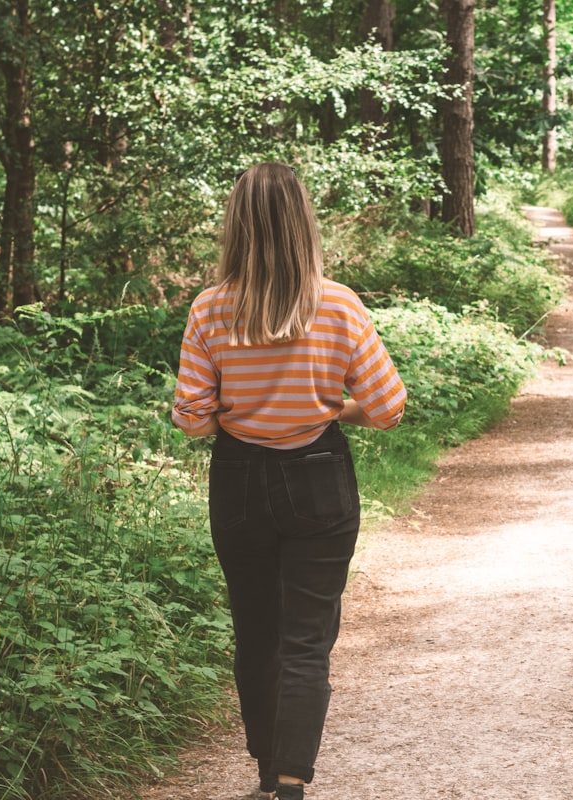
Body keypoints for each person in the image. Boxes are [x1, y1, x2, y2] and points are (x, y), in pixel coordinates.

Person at [171, 162, 407, 800]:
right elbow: (387, 408)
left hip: (240, 482)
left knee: (255, 632)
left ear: (237, 224)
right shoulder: (337, 304)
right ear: (303, 221)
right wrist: (330, 407)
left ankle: (263, 773)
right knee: (307, 639)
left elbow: (193, 421)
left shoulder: (210, 309)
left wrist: (240, 408)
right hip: (319, 480)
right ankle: (289, 782)